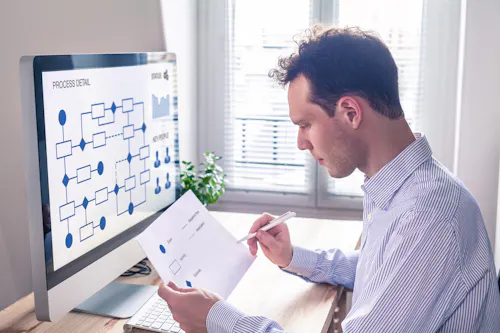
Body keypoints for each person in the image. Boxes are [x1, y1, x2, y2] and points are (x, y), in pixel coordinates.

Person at [158, 26, 500, 333]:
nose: (300, 143)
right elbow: (379, 272)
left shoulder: (429, 217)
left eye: (305, 124)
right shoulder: (410, 187)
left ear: (351, 113)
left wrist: (218, 319)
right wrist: (292, 256)